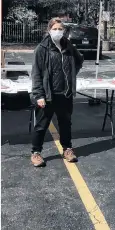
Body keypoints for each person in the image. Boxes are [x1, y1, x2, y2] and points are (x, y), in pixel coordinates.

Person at [30, 18, 84, 167]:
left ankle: (67, 149)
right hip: (48, 95)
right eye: (55, 29)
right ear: (49, 30)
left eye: (60, 29)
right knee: (41, 125)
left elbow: (79, 60)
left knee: (65, 123)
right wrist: (39, 95)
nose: (58, 31)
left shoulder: (68, 46)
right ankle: (36, 153)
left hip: (65, 94)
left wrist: (72, 74)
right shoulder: (42, 48)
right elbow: (36, 73)